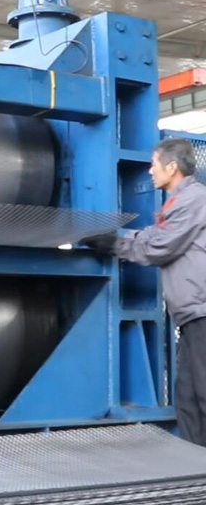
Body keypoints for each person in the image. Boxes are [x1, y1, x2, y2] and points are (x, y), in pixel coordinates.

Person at [81, 138, 206, 446]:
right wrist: (118, 239)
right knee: (187, 397)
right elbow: (154, 235)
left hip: (202, 313)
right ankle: (195, 463)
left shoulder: (194, 199)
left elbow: (160, 247)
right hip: (191, 315)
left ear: (172, 167)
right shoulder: (178, 202)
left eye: (154, 164)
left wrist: (115, 245)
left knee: (201, 393)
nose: (150, 171)